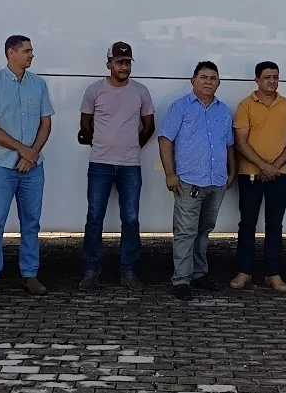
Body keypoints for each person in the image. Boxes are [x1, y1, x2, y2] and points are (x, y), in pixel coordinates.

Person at [0, 35, 55, 299]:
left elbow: (46, 124)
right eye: (27, 50)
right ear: (11, 52)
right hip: (1, 165)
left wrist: (31, 155)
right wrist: (23, 150)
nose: (32, 54)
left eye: (31, 50)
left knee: (31, 223)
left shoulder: (38, 84)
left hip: (33, 167)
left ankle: (29, 274)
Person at [77, 42, 155, 292]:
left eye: (128, 62)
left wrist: (132, 146)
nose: (124, 67)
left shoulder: (141, 91)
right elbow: (85, 124)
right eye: (120, 62)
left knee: (131, 219)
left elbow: (149, 126)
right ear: (108, 64)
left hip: (130, 165)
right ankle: (91, 271)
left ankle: (128, 271)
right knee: (94, 217)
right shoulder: (94, 90)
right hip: (99, 164)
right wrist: (101, 144)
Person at [159, 61, 236, 301]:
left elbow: (229, 145)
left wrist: (232, 171)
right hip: (189, 181)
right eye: (203, 77)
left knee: (204, 230)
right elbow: (165, 140)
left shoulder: (223, 111)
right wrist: (170, 173)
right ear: (193, 80)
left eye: (213, 78)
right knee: (185, 232)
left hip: (216, 181)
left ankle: (199, 274)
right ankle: (181, 280)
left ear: (219, 83)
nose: (208, 82)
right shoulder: (180, 107)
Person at [231, 61, 286, 292]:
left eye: (275, 77)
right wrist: (263, 166)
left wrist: (274, 167)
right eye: (267, 77)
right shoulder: (245, 105)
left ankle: (273, 273)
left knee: (275, 224)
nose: (272, 81)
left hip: (279, 175)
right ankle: (244, 271)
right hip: (250, 174)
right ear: (257, 80)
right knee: (247, 223)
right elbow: (240, 142)